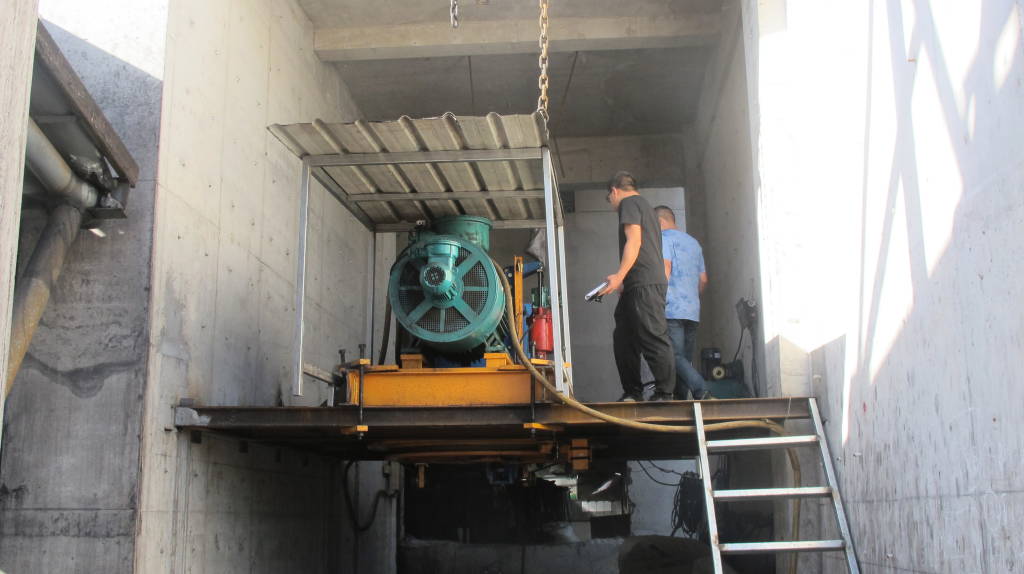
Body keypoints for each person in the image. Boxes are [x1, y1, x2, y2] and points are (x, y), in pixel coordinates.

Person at [597, 172, 676, 402]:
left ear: (614, 191)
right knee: (624, 337)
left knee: (652, 336)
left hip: (644, 282)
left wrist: (619, 276)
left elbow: (634, 240)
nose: (611, 203)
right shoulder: (647, 208)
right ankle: (633, 391)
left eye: (609, 198)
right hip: (637, 283)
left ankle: (665, 393)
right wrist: (625, 281)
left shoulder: (630, 203)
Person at [654, 205, 710, 400]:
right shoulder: (694, 244)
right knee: (684, 359)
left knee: (674, 356)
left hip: (672, 308)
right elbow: (703, 280)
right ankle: (680, 398)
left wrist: (657, 298)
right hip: (692, 311)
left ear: (660, 221)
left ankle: (701, 389)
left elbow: (665, 267)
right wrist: (691, 298)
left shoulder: (663, 239)